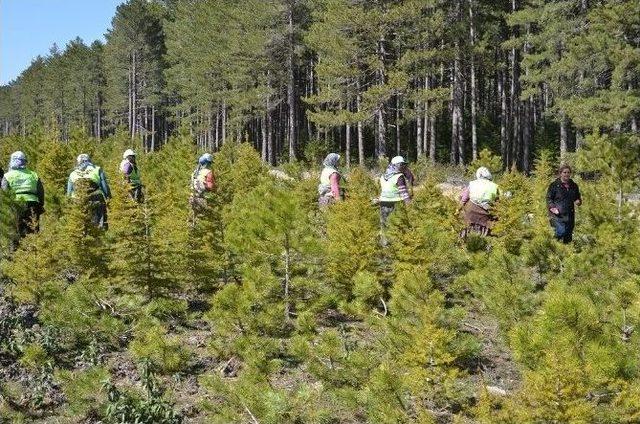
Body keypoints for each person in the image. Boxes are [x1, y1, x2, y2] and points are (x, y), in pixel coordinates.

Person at [1, 151, 45, 239]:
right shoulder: (33, 174)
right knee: (33, 231)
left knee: (15, 231)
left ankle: (14, 251)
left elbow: (4, 193)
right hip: (32, 205)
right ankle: (33, 251)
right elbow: (41, 192)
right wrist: (40, 205)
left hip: (15, 205)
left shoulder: (7, 176)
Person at [67, 153, 111, 230]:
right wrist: (108, 197)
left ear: (78, 162)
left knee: (80, 224)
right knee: (98, 223)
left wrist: (69, 205)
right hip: (95, 198)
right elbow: (104, 186)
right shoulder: (97, 169)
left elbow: (69, 192)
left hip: (78, 200)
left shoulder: (73, 173)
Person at [459, 166, 500, 237]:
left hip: (471, 211)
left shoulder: (472, 183)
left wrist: (458, 209)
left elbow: (464, 199)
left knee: (466, 214)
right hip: (486, 213)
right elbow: (500, 200)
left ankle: (465, 237)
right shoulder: (495, 186)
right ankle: (487, 237)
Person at [546, 164, 581, 243]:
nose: (566, 174)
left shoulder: (574, 185)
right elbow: (549, 198)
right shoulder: (554, 185)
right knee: (561, 231)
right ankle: (551, 245)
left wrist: (578, 201)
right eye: (564, 172)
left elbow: (577, 197)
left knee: (568, 236)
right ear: (560, 173)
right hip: (557, 215)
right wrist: (553, 207)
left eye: (568, 172)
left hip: (569, 214)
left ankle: (566, 253)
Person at [379, 156, 412, 226]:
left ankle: (384, 237)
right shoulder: (399, 176)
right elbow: (403, 192)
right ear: (396, 166)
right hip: (396, 203)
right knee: (396, 225)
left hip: (383, 203)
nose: (403, 167)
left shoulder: (383, 176)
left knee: (384, 224)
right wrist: (409, 203)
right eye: (401, 165)